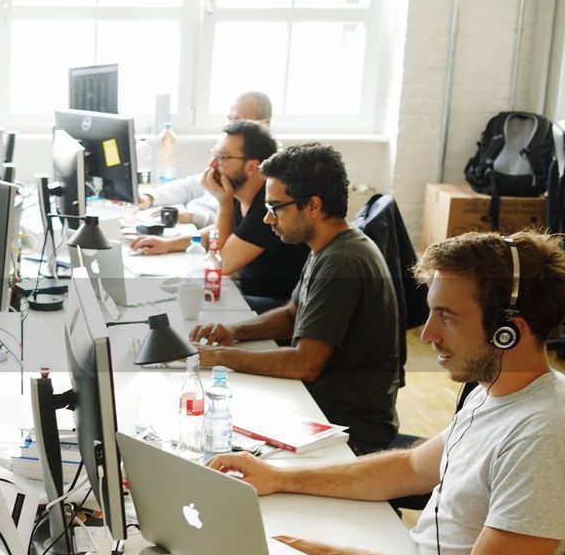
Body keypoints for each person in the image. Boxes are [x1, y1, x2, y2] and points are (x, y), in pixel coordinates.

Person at [206, 231, 565, 555]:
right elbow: (412, 468)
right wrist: (280, 478)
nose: (428, 333)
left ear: (509, 330)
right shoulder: (494, 389)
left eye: (447, 317)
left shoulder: (547, 434)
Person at [189, 143, 400, 454]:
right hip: (321, 407)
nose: (267, 219)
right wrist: (234, 333)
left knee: (210, 437)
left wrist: (221, 358)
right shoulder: (328, 246)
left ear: (312, 206)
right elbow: (292, 314)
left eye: (275, 208)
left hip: (346, 429)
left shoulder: (342, 261)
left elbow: (305, 364)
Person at [129, 121, 308, 311]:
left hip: (278, 306)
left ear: (252, 166)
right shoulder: (242, 193)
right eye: (214, 155)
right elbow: (219, 232)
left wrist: (224, 203)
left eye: (222, 158)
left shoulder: (267, 208)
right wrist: (168, 245)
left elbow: (220, 264)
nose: (212, 165)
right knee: (173, 295)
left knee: (188, 304)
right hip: (247, 290)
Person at [136, 90, 273, 221]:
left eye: (238, 121)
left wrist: (193, 217)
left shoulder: (255, 168)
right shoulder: (228, 153)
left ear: (264, 124)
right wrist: (150, 197)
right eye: (229, 119)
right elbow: (190, 187)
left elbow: (235, 225)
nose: (230, 126)